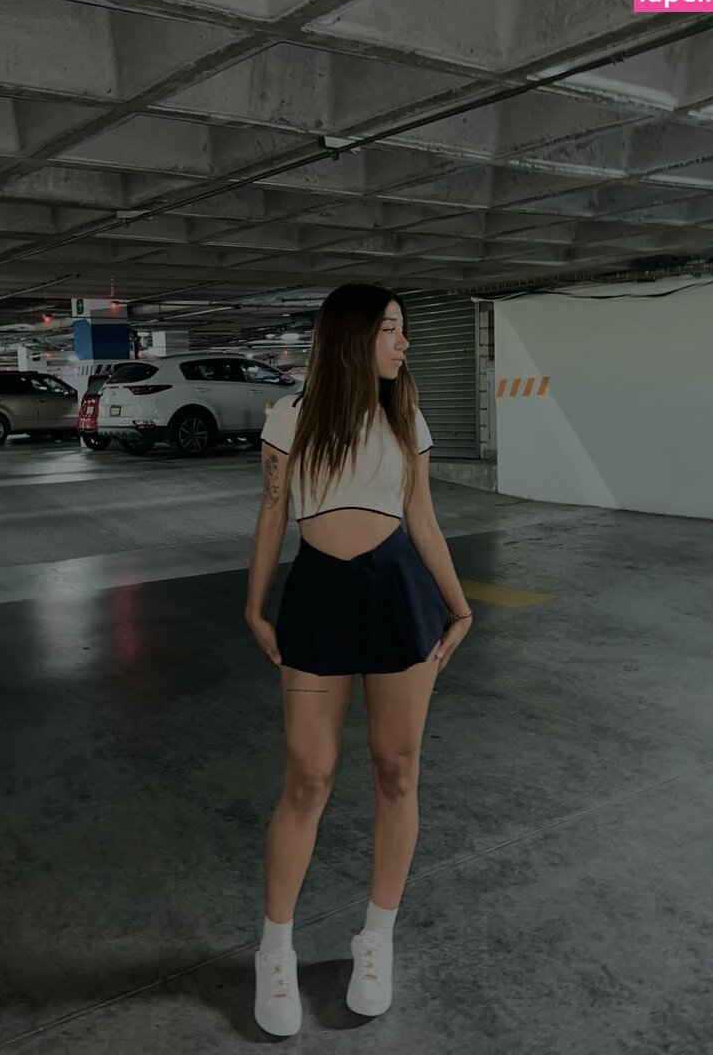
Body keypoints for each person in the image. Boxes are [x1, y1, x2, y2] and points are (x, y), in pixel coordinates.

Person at [245, 283, 473, 1036]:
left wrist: (460, 605)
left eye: (403, 330)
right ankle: (274, 949)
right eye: (390, 330)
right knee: (307, 778)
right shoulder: (291, 415)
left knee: (396, 771)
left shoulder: (404, 415)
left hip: (397, 592)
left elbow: (424, 520)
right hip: (318, 595)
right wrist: (254, 605)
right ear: (351, 335)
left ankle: (376, 938)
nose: (403, 344)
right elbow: (271, 515)